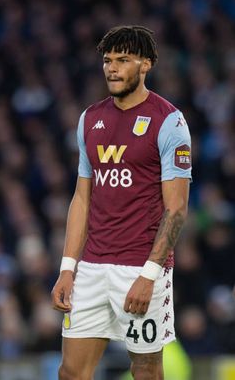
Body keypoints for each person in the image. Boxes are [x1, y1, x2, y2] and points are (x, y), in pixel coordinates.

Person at [51, 25, 192, 380]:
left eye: (123, 60)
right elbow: (82, 197)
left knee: (145, 369)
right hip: (93, 268)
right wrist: (69, 266)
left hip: (140, 267)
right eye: (107, 60)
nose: (112, 68)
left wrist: (149, 276)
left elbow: (175, 209)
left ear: (146, 65)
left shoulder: (169, 121)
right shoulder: (90, 119)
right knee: (71, 372)